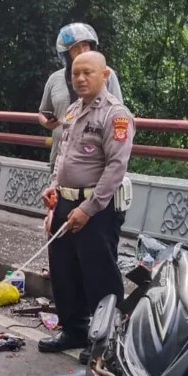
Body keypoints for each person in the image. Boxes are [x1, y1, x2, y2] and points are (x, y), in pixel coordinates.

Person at [37, 51, 134, 357]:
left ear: (105, 75)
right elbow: (63, 157)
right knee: (64, 268)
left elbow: (116, 168)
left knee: (99, 273)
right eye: (76, 73)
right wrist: (53, 188)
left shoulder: (115, 115)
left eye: (87, 73)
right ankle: (74, 329)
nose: (79, 78)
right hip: (66, 201)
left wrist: (88, 209)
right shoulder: (73, 111)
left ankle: (107, 340)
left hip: (98, 207)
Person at [39, 23, 124, 170]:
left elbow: (119, 114)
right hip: (61, 156)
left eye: (85, 46)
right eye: (75, 48)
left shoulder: (105, 75)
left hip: (94, 158)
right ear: (67, 54)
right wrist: (47, 123)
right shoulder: (55, 79)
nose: (82, 52)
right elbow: (42, 112)